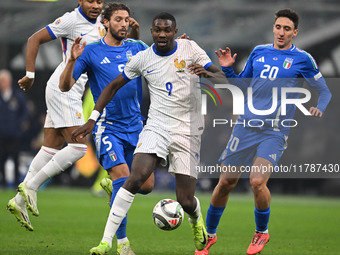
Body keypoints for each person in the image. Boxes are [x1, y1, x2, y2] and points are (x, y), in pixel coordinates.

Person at [71, 12, 225, 255]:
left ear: (175, 32)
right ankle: (106, 242)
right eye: (157, 30)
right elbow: (112, 86)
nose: (161, 34)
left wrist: (209, 74)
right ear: (151, 32)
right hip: (156, 126)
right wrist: (92, 118)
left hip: (187, 130)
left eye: (166, 30)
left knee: (185, 200)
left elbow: (220, 75)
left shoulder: (190, 47)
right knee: (135, 178)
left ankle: (197, 222)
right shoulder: (143, 58)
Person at [197, 8, 332, 255]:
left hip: (275, 131)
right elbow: (241, 85)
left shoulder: (303, 59)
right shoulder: (259, 52)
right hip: (245, 126)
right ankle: (210, 235)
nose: (282, 32)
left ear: (295, 32)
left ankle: (261, 232)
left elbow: (325, 91)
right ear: (273, 28)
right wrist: (227, 69)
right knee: (226, 182)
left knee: (257, 181)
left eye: (287, 29)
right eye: (278, 27)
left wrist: (319, 107)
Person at [6, 0, 139, 232]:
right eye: (91, 1)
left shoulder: (104, 22)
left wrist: (132, 29)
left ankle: (19, 200)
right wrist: (29, 74)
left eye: (99, 1)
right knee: (78, 147)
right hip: (64, 87)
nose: (96, 5)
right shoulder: (70, 20)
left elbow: (125, 43)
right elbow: (33, 39)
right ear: (80, 1)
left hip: (74, 89)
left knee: (51, 147)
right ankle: (31, 187)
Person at [59, 3, 154, 254]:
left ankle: (114, 188)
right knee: (124, 179)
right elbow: (65, 86)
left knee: (146, 186)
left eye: (127, 20)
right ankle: (122, 244)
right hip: (107, 127)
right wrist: (71, 60)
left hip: (137, 127)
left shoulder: (137, 47)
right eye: (118, 20)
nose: (124, 24)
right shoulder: (90, 52)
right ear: (106, 23)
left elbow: (159, 58)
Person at [0, 69, 29, 188]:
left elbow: (25, 112)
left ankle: (17, 182)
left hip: (15, 134)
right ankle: (3, 183)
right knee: (1, 159)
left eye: (4, 81)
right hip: (1, 134)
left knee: (16, 158)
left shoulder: (18, 96)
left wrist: (20, 126)